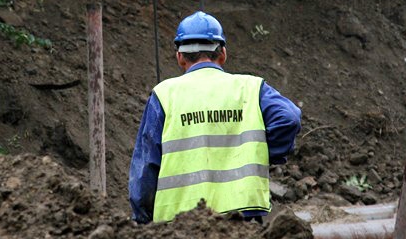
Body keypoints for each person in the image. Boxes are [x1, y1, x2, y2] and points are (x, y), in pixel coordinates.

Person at [129, 11, 301, 224]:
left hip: (179, 226)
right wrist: (263, 153)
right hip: (241, 217)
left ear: (180, 57)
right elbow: (289, 118)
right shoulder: (250, 88)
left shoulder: (164, 95)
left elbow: (146, 167)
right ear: (223, 54)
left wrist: (142, 218)